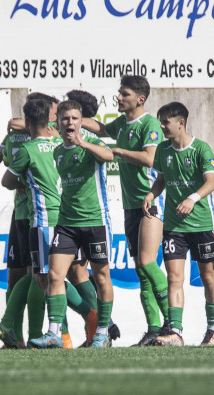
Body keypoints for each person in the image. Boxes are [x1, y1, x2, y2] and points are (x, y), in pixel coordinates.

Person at [82, 76, 168, 347]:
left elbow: (151, 158)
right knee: (140, 270)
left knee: (146, 262)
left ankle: (172, 325)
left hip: (150, 201)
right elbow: (102, 127)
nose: (118, 97)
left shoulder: (149, 123)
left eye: (124, 94)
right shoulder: (122, 123)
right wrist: (71, 115)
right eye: (119, 93)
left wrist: (117, 151)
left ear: (140, 99)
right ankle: (154, 328)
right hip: (131, 205)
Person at [29, 100, 115, 349]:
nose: (70, 123)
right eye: (65, 119)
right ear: (57, 123)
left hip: (95, 221)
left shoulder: (91, 144)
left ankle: (101, 331)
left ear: (81, 122)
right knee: (54, 275)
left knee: (101, 277)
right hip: (66, 223)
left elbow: (109, 155)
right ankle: (54, 332)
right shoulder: (57, 151)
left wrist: (83, 143)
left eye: (75, 119)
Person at [144, 101, 214, 347]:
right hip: (174, 227)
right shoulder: (164, 150)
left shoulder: (201, 149)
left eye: (166, 122)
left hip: (200, 225)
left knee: (207, 276)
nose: (162, 127)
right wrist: (151, 194)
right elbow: (161, 180)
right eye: (161, 122)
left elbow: (211, 183)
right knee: (174, 278)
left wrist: (192, 198)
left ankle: (213, 328)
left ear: (181, 122)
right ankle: (176, 331)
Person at [0, 93, 59, 348]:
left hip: (36, 215)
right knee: (22, 274)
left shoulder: (42, 141)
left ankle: (34, 332)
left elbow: (8, 181)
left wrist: (24, 182)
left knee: (42, 274)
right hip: (24, 215)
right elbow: (8, 134)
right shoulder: (56, 141)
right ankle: (14, 335)